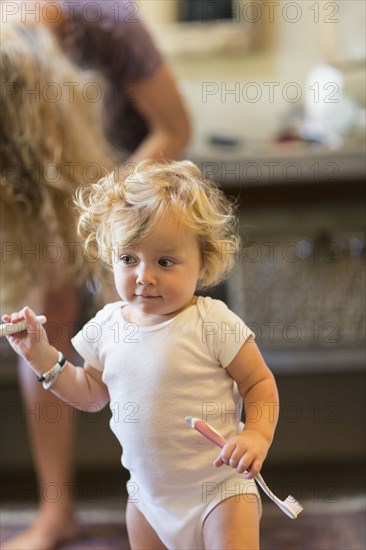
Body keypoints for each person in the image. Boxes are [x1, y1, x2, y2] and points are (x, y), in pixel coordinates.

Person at [3, 160, 280, 550]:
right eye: (128, 259)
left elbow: (259, 383)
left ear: (204, 263)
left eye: (165, 262)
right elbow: (90, 393)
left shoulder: (212, 321)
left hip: (221, 493)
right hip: (148, 500)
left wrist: (257, 434)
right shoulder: (107, 325)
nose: (143, 276)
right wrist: (40, 355)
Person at [1, 2, 190, 547]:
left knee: (139, 324)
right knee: (42, 316)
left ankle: (185, 492)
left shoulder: (112, 23)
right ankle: (56, 512)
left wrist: (114, 205)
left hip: (135, 186)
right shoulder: (9, 57)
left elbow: (175, 128)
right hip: (58, 191)